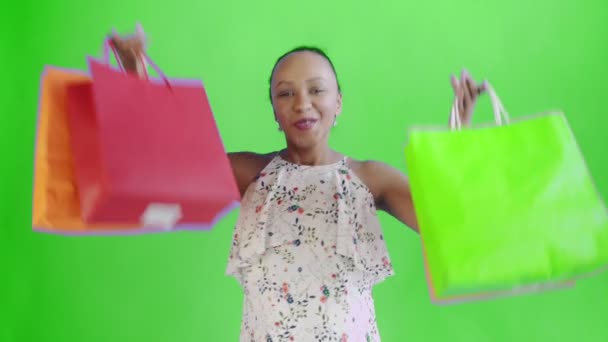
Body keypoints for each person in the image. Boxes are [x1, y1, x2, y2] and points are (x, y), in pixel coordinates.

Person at [110, 25, 485, 341]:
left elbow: (444, 220)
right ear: (274, 110)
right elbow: (168, 168)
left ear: (339, 102)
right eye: (285, 93)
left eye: (316, 90)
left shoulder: (369, 178)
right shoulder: (250, 173)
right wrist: (135, 77)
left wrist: (458, 135)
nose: (302, 103)